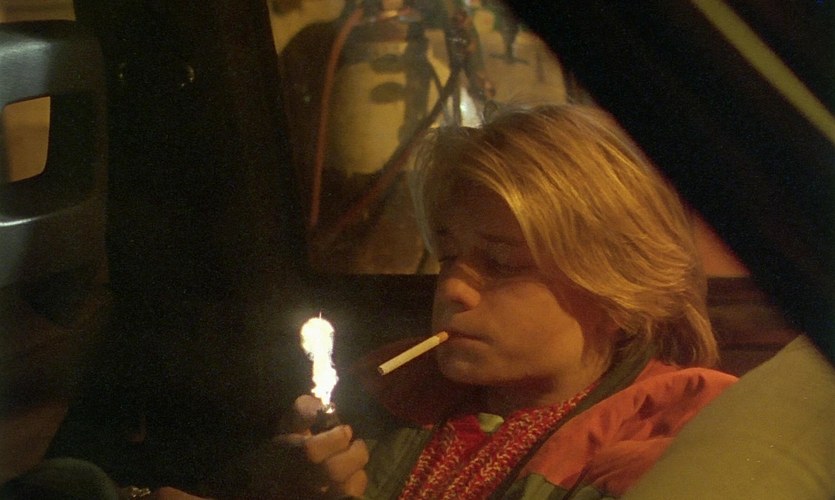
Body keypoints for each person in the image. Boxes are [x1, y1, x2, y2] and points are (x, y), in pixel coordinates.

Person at [284, 103, 738, 499]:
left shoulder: (677, 435)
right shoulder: (385, 389)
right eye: (449, 256)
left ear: (617, 291)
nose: (453, 288)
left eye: (501, 263)